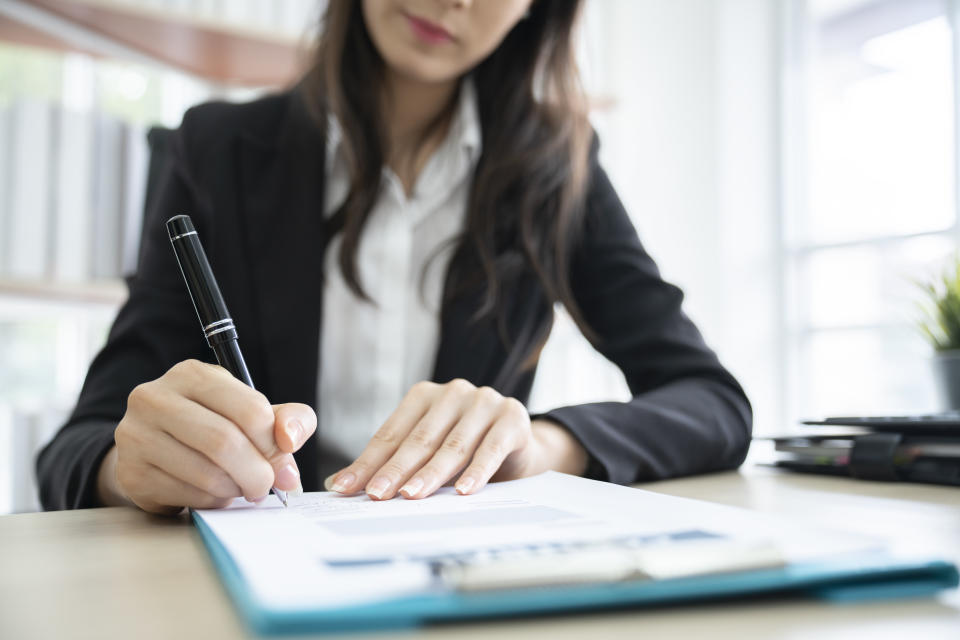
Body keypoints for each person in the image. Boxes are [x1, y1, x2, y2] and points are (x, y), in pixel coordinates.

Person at [37, 0, 751, 515]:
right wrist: (130, 467)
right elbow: (78, 449)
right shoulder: (216, 149)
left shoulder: (555, 169)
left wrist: (536, 447)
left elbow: (712, 403)